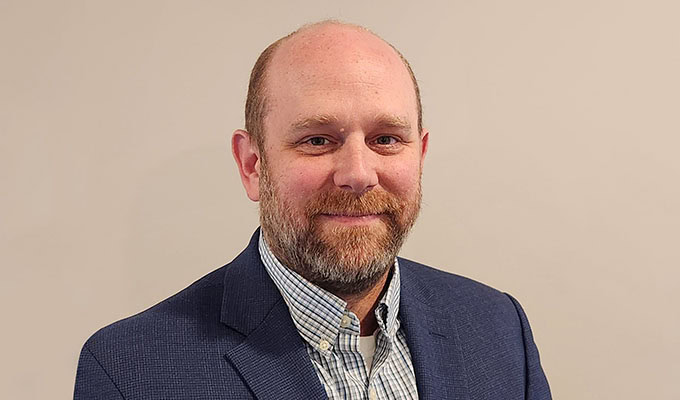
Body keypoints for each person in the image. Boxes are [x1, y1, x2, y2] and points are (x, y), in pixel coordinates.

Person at [74, 20, 551, 400]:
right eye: (318, 140)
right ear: (252, 164)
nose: (358, 173)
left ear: (420, 155)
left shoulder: (498, 328)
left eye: (386, 139)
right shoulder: (131, 372)